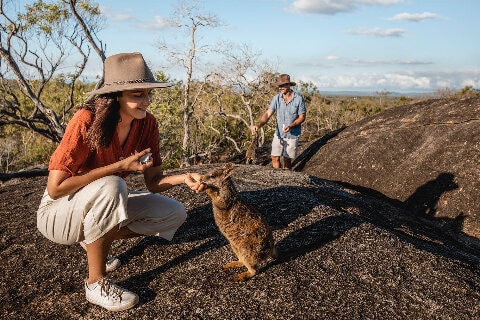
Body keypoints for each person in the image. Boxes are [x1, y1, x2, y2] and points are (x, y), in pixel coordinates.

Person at [36, 52, 206, 312]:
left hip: (100, 201)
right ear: (116, 97)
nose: (147, 101)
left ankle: (94, 238)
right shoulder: (86, 120)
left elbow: (154, 181)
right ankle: (96, 282)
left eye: (149, 94)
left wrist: (184, 178)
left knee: (175, 213)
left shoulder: (146, 124)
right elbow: (55, 188)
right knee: (114, 184)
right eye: (138, 95)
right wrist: (119, 167)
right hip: (58, 211)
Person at [251, 74, 306, 169]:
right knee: (274, 157)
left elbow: (302, 117)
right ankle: (277, 177)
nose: (280, 88)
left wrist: (291, 125)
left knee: (287, 159)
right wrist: (258, 125)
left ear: (288, 84)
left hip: (292, 134)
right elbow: (268, 114)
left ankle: (287, 178)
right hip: (279, 133)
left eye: (282, 85)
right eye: (279, 86)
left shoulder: (298, 99)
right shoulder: (276, 98)